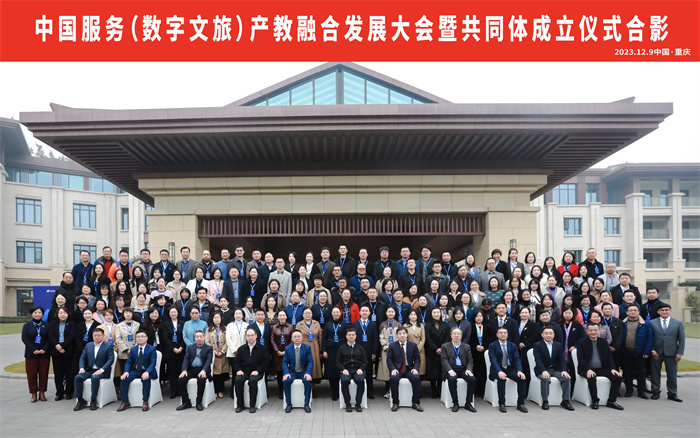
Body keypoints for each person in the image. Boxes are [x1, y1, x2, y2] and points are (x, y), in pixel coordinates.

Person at [575, 324, 624, 410]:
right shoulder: (581, 342)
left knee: (617, 377)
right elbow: (581, 359)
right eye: (591, 330)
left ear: (599, 331)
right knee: (592, 378)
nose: (593, 332)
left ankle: (611, 401)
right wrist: (588, 369)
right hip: (586, 369)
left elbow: (609, 357)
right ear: (587, 331)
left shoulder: (603, 342)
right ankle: (595, 401)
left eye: (595, 330)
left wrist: (612, 369)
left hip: (601, 369)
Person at [532, 327, 574, 411]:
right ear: (542, 335)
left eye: (550, 333)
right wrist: (543, 370)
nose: (548, 335)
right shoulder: (537, 345)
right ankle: (545, 401)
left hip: (555, 370)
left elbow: (562, 359)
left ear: (554, 335)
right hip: (542, 369)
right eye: (546, 333)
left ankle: (565, 401)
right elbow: (538, 359)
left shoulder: (558, 345)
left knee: (566, 378)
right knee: (546, 379)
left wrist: (564, 370)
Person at [650, 303, 685, 402]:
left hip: (672, 353)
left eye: (666, 310)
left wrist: (680, 353)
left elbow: (682, 340)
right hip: (656, 353)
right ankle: (655, 391)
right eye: (662, 310)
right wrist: (652, 350)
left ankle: (672, 393)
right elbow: (649, 338)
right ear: (658, 312)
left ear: (670, 311)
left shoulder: (678, 323)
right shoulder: (652, 323)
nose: (664, 312)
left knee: (672, 374)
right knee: (655, 373)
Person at [73, 328, 115, 411]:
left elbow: (110, 360)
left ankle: (93, 400)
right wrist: (81, 368)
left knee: (95, 378)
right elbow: (83, 358)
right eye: (95, 335)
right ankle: (80, 400)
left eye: (99, 335)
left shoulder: (108, 346)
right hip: (90, 370)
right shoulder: (88, 345)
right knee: (78, 377)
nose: (97, 337)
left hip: (103, 371)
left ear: (103, 336)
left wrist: (101, 370)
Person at [488, 327, 528, 413]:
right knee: (502, 379)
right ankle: (502, 403)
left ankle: (520, 404)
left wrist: (519, 370)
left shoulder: (512, 345)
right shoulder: (492, 345)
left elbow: (517, 359)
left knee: (521, 378)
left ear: (507, 334)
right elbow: (493, 360)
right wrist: (499, 371)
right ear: (497, 335)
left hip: (509, 368)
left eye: (505, 333)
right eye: (501, 333)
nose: (503, 334)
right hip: (497, 368)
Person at [117, 330, 158, 411]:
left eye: (142, 337)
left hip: (148, 370)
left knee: (145, 379)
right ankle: (125, 401)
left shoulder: (152, 349)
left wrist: (147, 372)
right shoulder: (133, 349)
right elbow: (129, 362)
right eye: (138, 337)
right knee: (124, 379)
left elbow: (153, 363)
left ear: (146, 338)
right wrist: (126, 371)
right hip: (136, 370)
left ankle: (145, 401)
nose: (140, 338)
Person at [233, 328, 270, 413]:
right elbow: (236, 362)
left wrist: (258, 371)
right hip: (244, 371)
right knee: (238, 380)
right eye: (248, 336)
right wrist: (239, 370)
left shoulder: (262, 348)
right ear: (246, 337)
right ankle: (240, 405)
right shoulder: (241, 349)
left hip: (257, 372)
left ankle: (252, 405)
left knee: (252, 381)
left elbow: (266, 362)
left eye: (252, 335)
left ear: (256, 336)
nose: (250, 337)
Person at [441, 327, 477, 412]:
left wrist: (468, 370)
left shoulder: (466, 346)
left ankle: (468, 403)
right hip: (451, 369)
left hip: (463, 369)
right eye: (454, 334)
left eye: (458, 334)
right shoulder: (445, 346)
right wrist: (450, 370)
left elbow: (470, 360)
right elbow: (444, 360)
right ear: (451, 335)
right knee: (452, 379)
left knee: (472, 379)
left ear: (461, 336)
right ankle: (455, 402)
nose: (456, 335)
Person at [621, 303, 653, 399]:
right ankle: (629, 390)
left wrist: (647, 352)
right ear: (627, 312)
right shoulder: (622, 323)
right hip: (626, 352)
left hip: (640, 352)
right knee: (627, 372)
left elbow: (650, 339)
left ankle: (641, 391)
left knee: (641, 372)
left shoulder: (645, 324)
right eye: (630, 310)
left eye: (635, 310)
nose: (633, 312)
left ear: (638, 312)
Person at [387, 327, 422, 412]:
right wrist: (393, 369)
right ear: (397, 335)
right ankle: (395, 403)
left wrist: (415, 368)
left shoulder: (413, 345)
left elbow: (417, 359)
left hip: (409, 368)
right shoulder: (392, 345)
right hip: (397, 369)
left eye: (403, 333)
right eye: (400, 334)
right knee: (393, 379)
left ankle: (415, 402)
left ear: (407, 335)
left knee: (416, 379)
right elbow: (389, 359)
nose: (402, 335)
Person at [177, 330, 213, 411]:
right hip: (192, 369)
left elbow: (209, 361)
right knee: (181, 380)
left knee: (201, 380)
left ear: (204, 337)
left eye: (201, 337)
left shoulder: (209, 348)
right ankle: (186, 402)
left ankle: (199, 402)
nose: (199, 338)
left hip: (202, 369)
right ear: (195, 338)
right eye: (197, 337)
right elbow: (186, 359)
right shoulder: (190, 347)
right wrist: (184, 370)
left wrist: (204, 370)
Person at [22, 306, 50, 403]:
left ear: (42, 314)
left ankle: (42, 393)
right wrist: (33, 349)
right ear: (31, 314)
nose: (37, 314)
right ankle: (33, 394)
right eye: (35, 312)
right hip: (31, 354)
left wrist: (44, 349)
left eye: (39, 313)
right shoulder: (27, 326)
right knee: (31, 375)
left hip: (44, 354)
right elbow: (24, 339)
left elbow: (49, 339)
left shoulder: (47, 325)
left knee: (43, 374)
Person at [282, 330, 314, 413]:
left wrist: (308, 373)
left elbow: (310, 361)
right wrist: (286, 373)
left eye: (298, 337)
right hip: (292, 372)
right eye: (295, 337)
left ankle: (306, 404)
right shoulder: (288, 348)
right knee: (286, 381)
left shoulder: (307, 348)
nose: (297, 338)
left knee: (307, 381)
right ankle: (289, 404)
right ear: (292, 339)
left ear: (302, 338)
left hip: (303, 372)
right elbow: (284, 362)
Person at [336, 327, 368, 412]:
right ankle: (347, 403)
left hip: (357, 370)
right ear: (346, 336)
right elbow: (338, 362)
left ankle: (358, 403)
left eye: (353, 335)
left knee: (361, 381)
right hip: (346, 370)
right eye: (349, 335)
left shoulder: (360, 348)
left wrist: (361, 369)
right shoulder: (341, 348)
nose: (351, 336)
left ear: (356, 336)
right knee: (344, 381)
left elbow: (365, 362)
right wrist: (343, 369)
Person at [49, 307, 75, 400]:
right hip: (56, 352)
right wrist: (57, 345)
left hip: (68, 351)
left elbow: (72, 336)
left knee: (69, 373)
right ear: (57, 314)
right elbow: (50, 336)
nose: (63, 315)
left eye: (64, 313)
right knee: (58, 374)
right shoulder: (53, 324)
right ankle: (59, 393)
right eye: (60, 313)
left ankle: (69, 392)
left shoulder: (71, 324)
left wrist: (62, 346)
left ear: (68, 314)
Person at [352, 305, 379, 399]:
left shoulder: (373, 324)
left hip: (369, 352)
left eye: (366, 311)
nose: (364, 312)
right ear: (359, 312)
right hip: (358, 352)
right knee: (358, 372)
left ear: (369, 313)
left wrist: (374, 352)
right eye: (362, 311)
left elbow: (375, 339)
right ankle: (359, 392)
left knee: (369, 373)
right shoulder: (355, 324)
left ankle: (370, 392)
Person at [322, 307, 347, 401]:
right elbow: (324, 338)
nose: (336, 314)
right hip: (330, 351)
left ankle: (341, 391)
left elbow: (346, 338)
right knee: (331, 371)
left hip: (341, 350)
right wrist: (324, 350)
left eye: (337, 312)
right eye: (334, 312)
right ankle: (334, 392)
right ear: (331, 313)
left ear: (340, 313)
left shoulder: (344, 324)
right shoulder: (327, 324)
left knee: (339, 370)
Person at [469, 309, 495, 398]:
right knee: (475, 371)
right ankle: (475, 390)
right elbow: (470, 339)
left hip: (485, 351)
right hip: (474, 351)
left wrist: (484, 346)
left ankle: (482, 390)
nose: (478, 318)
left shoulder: (488, 326)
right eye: (477, 316)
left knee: (483, 371)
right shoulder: (471, 326)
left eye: (480, 316)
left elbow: (491, 338)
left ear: (483, 317)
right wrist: (476, 346)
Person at [161, 306, 185, 399]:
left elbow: (184, 336)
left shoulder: (182, 323)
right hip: (170, 351)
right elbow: (165, 338)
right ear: (169, 313)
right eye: (171, 312)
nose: (173, 314)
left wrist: (181, 347)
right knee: (172, 372)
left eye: (175, 312)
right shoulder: (165, 323)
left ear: (178, 313)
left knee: (180, 371)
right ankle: (173, 391)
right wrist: (173, 348)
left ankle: (181, 390)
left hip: (181, 350)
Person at [271, 309, 294, 399]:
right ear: (278, 317)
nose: (282, 317)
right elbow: (272, 340)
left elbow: (292, 339)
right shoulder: (274, 327)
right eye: (280, 315)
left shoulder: (291, 327)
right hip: (277, 354)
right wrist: (277, 351)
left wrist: (286, 351)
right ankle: (281, 391)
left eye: (283, 315)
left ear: (286, 317)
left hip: (288, 353)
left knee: (287, 372)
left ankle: (287, 390)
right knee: (279, 373)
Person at [205, 312, 229, 398]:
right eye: (215, 318)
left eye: (218, 318)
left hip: (222, 354)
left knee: (222, 373)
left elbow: (227, 341)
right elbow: (207, 341)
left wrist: (222, 351)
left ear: (221, 319)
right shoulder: (209, 329)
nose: (216, 319)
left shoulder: (225, 328)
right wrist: (214, 351)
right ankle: (215, 391)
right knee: (215, 373)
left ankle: (221, 390)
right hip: (213, 354)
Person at [225, 309, 247, 398]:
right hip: (233, 353)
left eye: (240, 313)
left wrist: (242, 351)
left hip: (244, 353)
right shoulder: (230, 325)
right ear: (234, 315)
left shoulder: (247, 325)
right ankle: (233, 393)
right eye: (236, 313)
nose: (238, 315)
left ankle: (242, 392)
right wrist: (234, 350)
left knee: (243, 372)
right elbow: (228, 339)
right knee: (235, 373)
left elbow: (247, 339)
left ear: (243, 315)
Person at [404, 309, 427, 377]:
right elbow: (405, 338)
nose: (413, 316)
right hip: (409, 349)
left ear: (417, 316)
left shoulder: (421, 325)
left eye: (415, 315)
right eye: (411, 315)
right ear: (409, 316)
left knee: (420, 369)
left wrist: (418, 348)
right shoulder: (405, 326)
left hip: (420, 349)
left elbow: (423, 338)